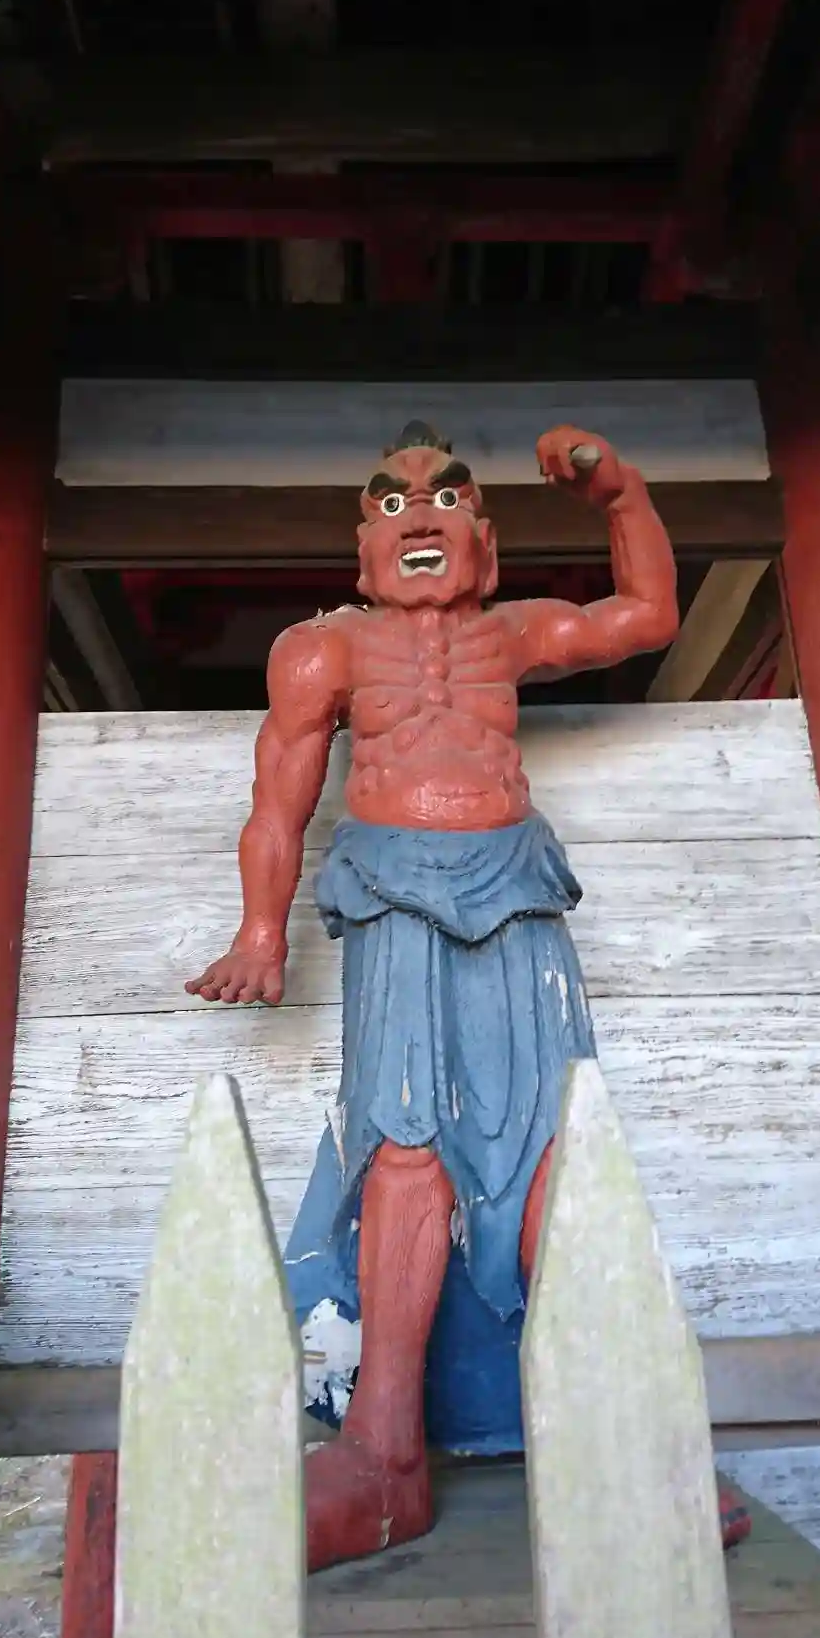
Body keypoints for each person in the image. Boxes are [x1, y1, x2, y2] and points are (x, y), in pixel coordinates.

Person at [187, 420, 750, 1567]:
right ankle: (386, 1456)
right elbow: (279, 796)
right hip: (394, 894)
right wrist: (260, 929)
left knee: (557, 1147)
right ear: (363, 549)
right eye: (393, 503)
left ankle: (607, 1435)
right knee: (404, 1143)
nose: (422, 515)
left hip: (518, 891)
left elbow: (646, 615)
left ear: (485, 544)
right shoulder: (322, 649)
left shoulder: (513, 633)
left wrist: (619, 494)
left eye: (448, 499)